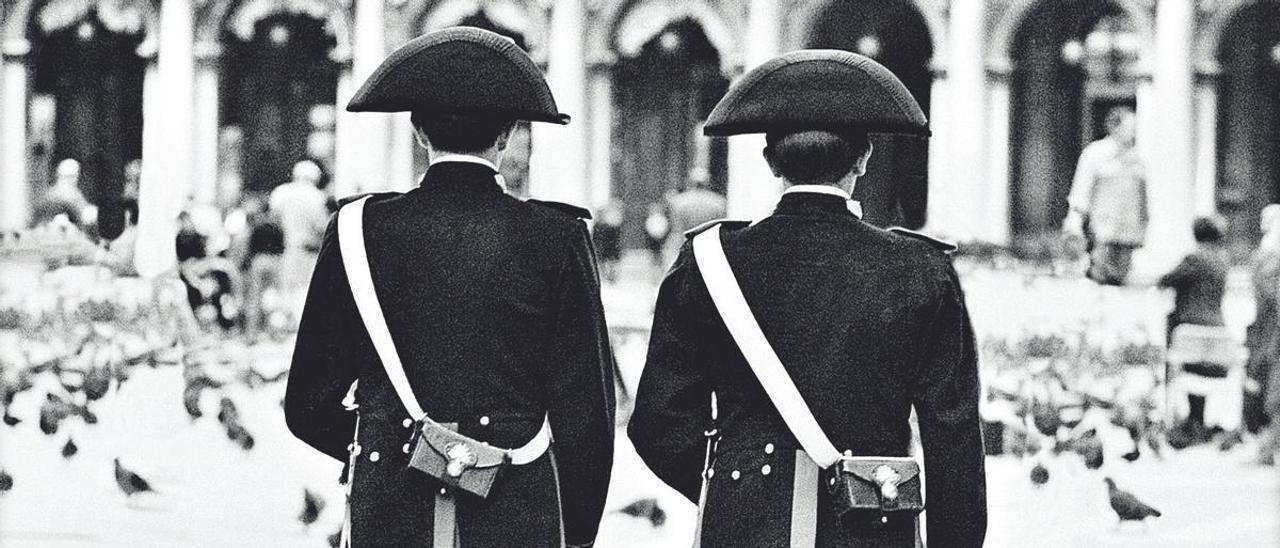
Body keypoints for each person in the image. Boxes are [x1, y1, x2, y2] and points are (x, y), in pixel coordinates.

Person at [628, 50, 986, 547]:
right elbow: (955, 444)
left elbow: (657, 424)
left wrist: (741, 488)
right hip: (874, 530)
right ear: (864, 158)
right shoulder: (921, 271)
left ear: (770, 159)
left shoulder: (708, 262)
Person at [284, 27, 615, 548]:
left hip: (389, 510)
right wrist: (573, 533)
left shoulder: (357, 229)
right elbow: (586, 420)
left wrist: (391, 443)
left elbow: (307, 406)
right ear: (507, 137)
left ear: (418, 132)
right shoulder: (557, 237)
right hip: (517, 507)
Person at [1158, 216, 1231, 445]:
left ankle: (1192, 420)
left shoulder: (1194, 258)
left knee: (1184, 361)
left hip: (1189, 327)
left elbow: (1168, 279)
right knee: (1200, 366)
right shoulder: (1223, 260)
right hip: (1218, 330)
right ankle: (1197, 418)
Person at [1063, 107, 1148, 286]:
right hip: (1102, 231)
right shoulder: (1095, 154)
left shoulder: (1138, 158)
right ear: (1114, 128)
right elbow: (1081, 190)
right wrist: (1075, 221)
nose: (1133, 133)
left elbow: (1143, 197)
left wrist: (1144, 227)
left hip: (1129, 233)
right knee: (1099, 277)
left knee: (1121, 280)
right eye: (1130, 128)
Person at [269, 159, 330, 291]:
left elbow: (274, 220)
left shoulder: (281, 193)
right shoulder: (317, 197)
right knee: (306, 293)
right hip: (309, 252)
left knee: (288, 293)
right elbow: (322, 227)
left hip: (289, 249)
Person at [662, 172, 727, 267]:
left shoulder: (678, 202)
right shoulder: (719, 203)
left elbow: (676, 228)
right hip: (709, 244)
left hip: (683, 242)